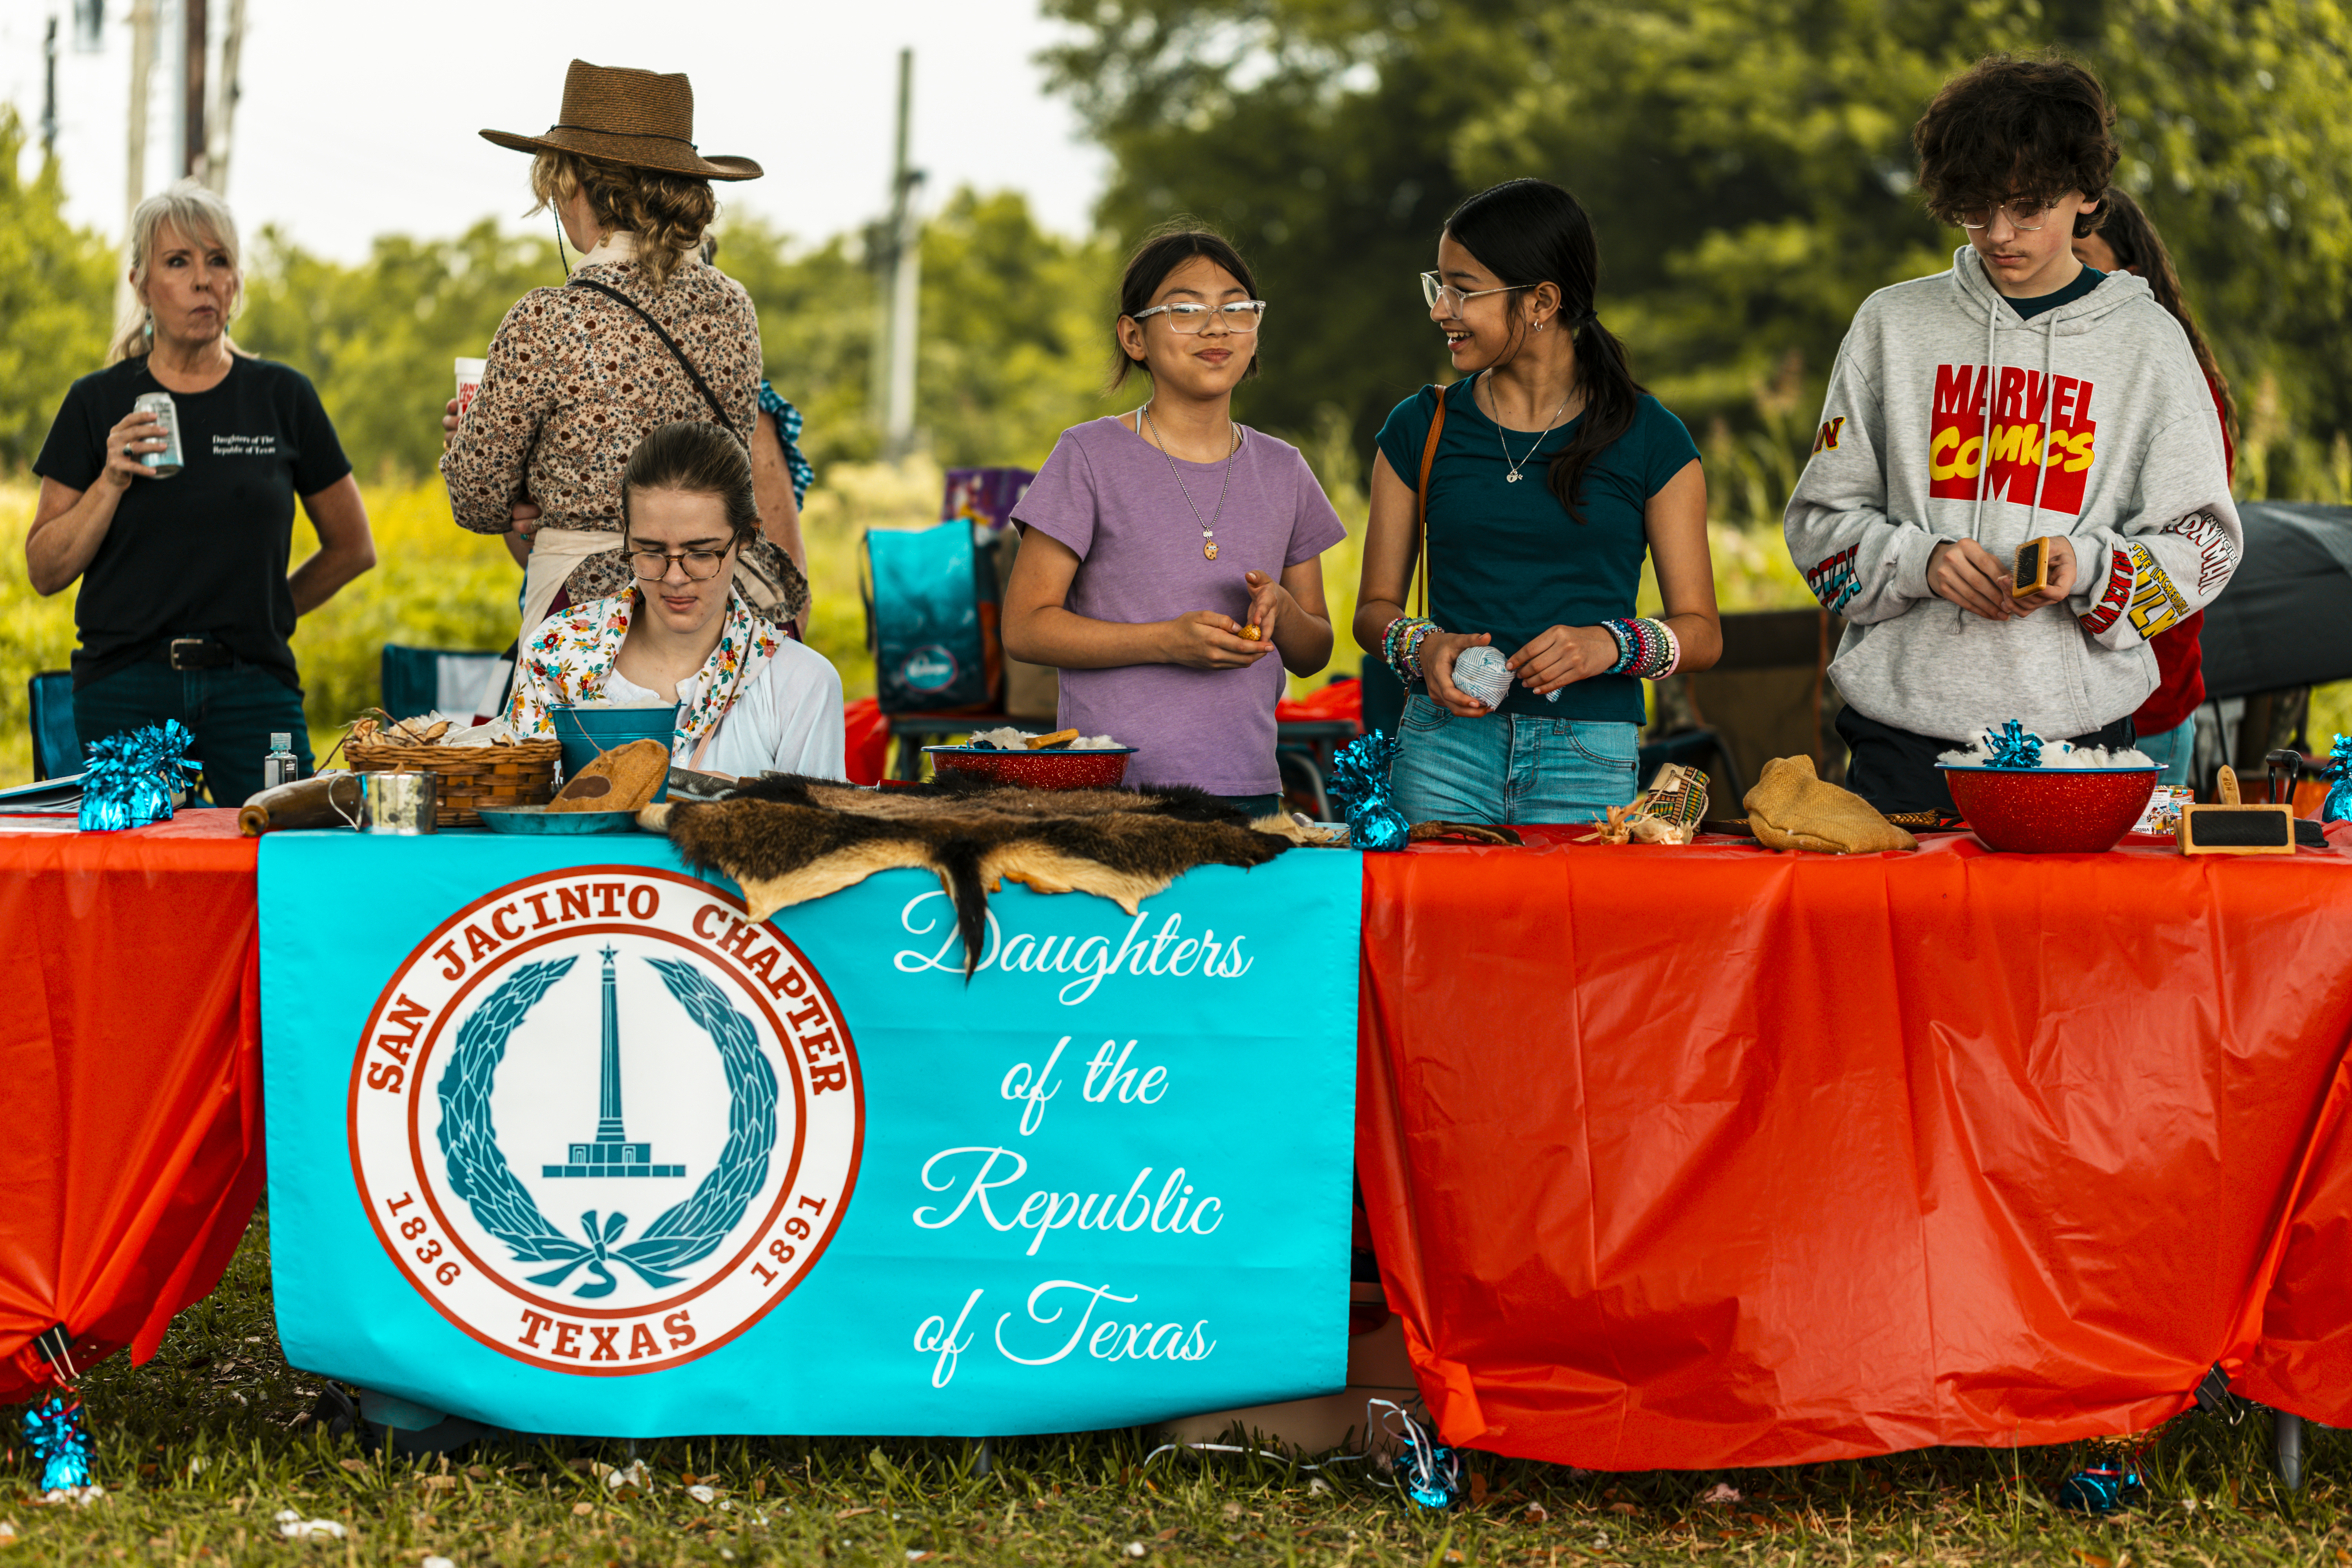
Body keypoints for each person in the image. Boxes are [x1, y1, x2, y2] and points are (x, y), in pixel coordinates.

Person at [1785, 53, 2243, 816]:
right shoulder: (1891, 327)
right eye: (1975, 206)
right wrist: (1916, 563)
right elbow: (1816, 533)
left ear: (2088, 193)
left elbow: (2210, 544)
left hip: (2083, 738)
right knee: (1908, 942)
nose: (1999, 233)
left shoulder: (2147, 344)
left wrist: (2096, 568)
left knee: (2059, 943)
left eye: (2028, 206)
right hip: (1903, 740)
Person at [1354, 178, 1719, 826]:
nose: (1441, 310)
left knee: (1570, 931)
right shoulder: (1420, 427)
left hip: (1589, 755)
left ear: (1542, 301)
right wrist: (1422, 648)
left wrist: (1612, 645)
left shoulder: (1652, 438)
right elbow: (1373, 612)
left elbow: (1703, 633)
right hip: (1442, 750)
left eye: (1463, 289)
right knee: (1434, 930)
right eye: (1438, 285)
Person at [441, 59, 809, 656]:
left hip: (590, 625)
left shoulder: (547, 320)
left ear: (571, 184)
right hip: (715, 616)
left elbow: (479, 501)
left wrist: (479, 453)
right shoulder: (735, 307)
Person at [26, 179, 376, 805]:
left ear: (237, 282)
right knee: (139, 875)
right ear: (140, 284)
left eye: (219, 261)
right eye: (179, 262)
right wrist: (110, 479)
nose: (203, 280)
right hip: (128, 687)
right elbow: (45, 570)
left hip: (255, 689)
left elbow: (353, 548)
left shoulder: (281, 397)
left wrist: (269, 613)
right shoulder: (97, 401)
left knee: (277, 863)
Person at [1000, 225, 1345, 817]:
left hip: (1249, 793)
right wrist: (1165, 641)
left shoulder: (1284, 469)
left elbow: (1314, 650)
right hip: (1111, 800)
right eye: (1185, 309)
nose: (1216, 326)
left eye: (1237, 308)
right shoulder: (1088, 456)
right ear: (1134, 336)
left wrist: (1284, 614)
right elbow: (1026, 628)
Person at [506, 421, 844, 779]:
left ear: (747, 538)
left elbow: (815, 831)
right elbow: (524, 813)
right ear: (627, 535)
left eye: (701, 553)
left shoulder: (801, 684)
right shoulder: (555, 654)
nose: (675, 578)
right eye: (650, 551)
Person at [2072, 187, 2238, 787]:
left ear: (2132, 275)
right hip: (2047, 713)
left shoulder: (2182, 390)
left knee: (2135, 883)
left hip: (2146, 712)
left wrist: (2081, 571)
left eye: (2081, 256)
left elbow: (2195, 550)